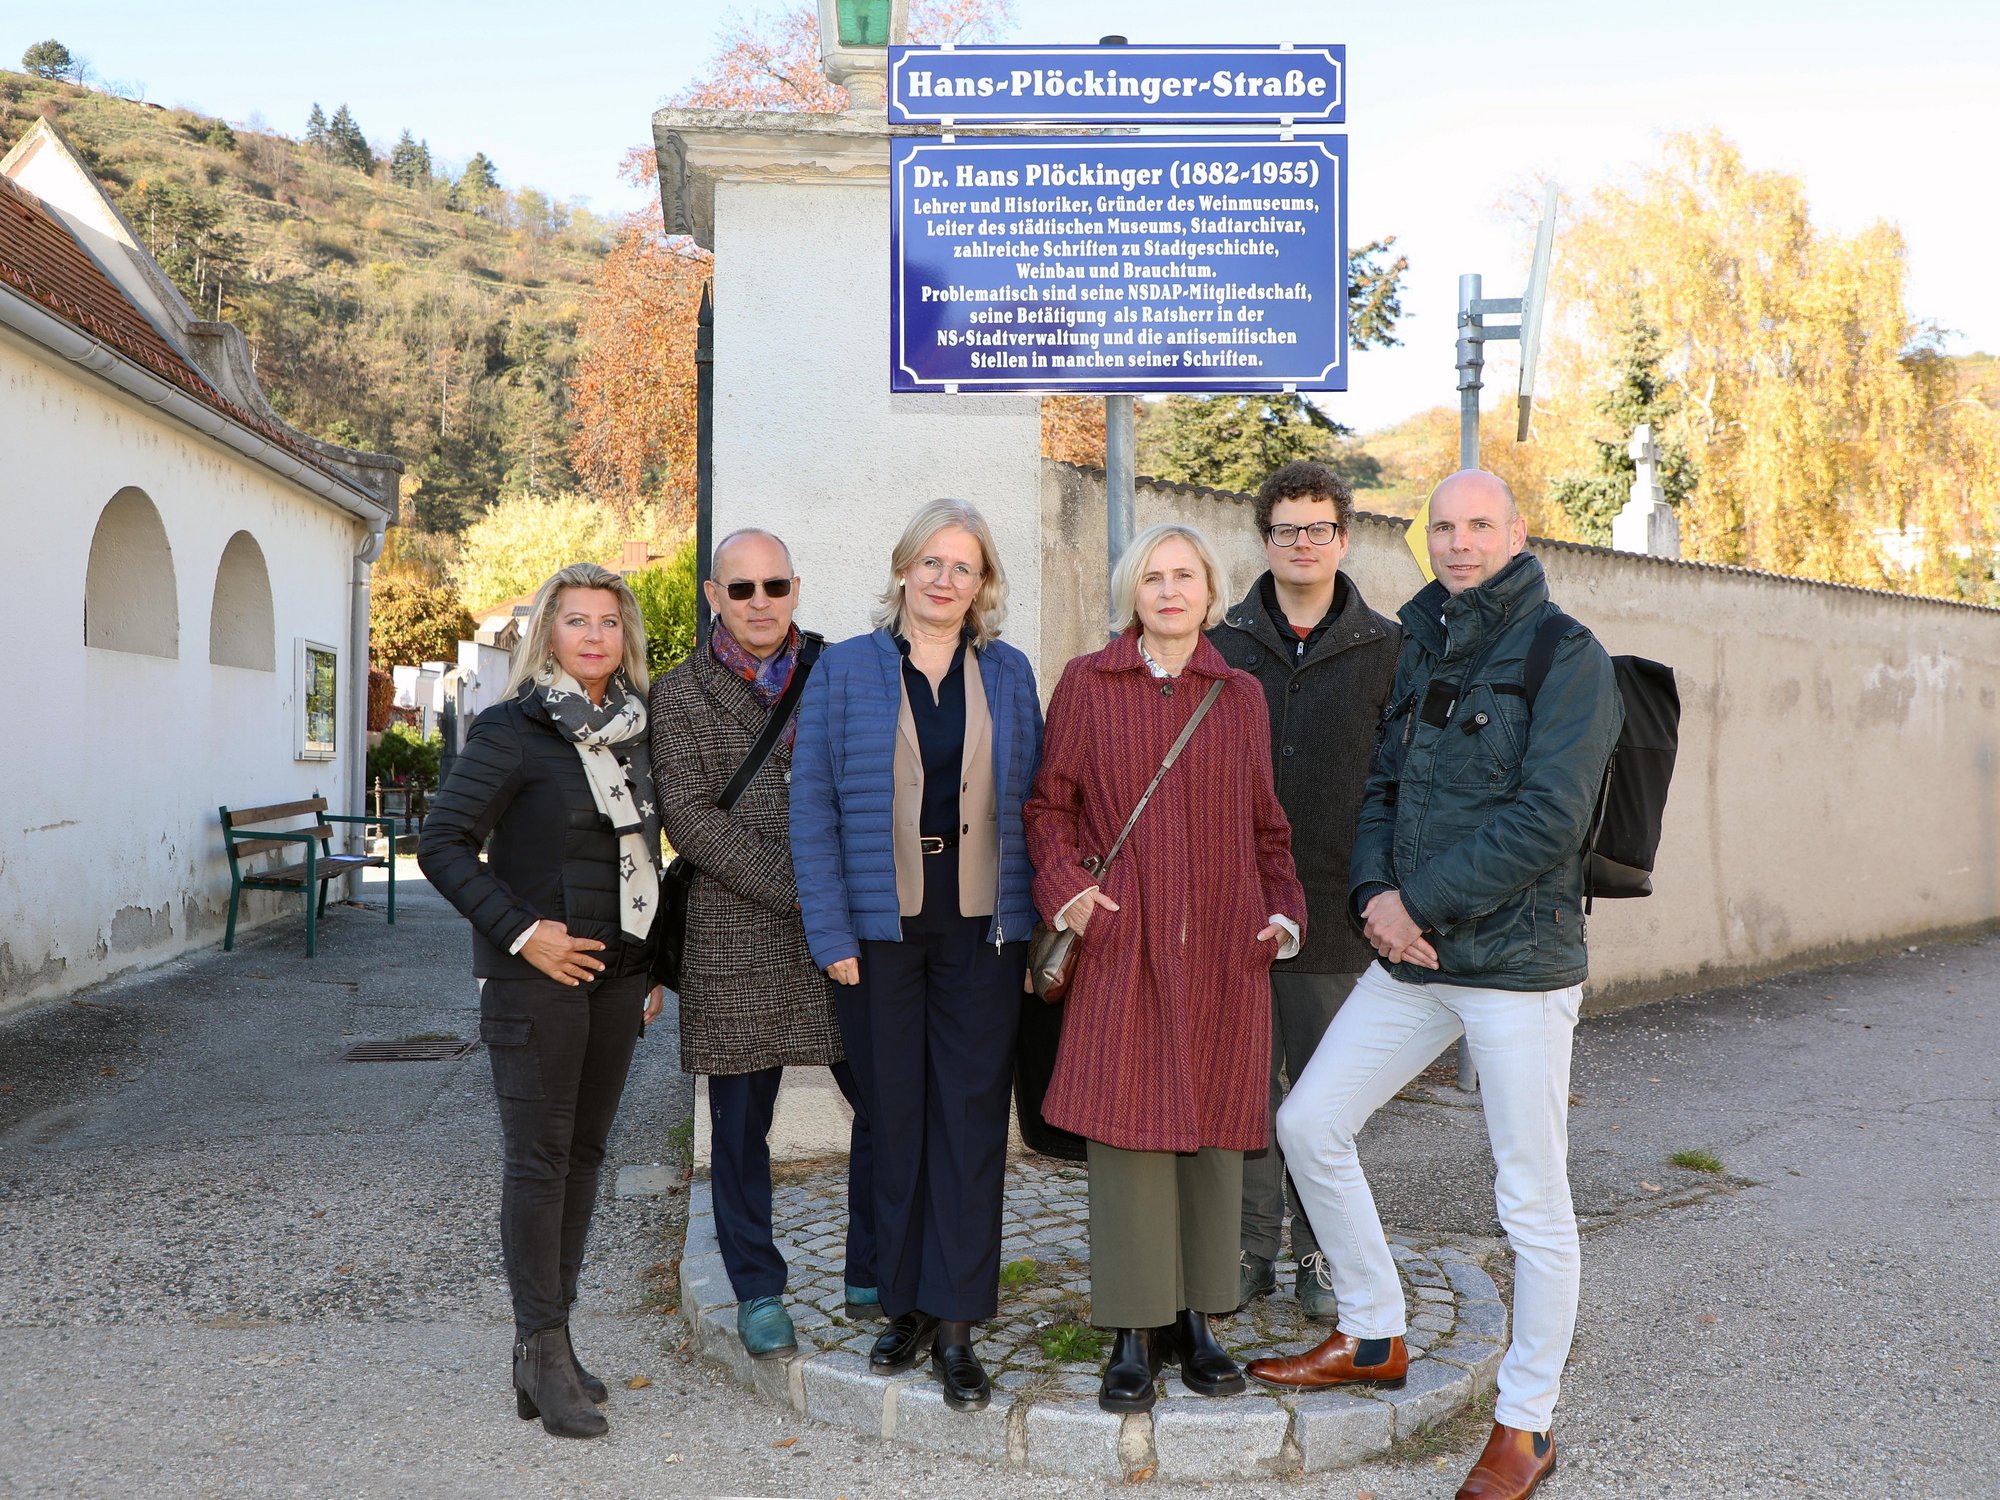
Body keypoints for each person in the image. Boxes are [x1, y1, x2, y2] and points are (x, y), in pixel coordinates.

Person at [1246, 472, 1623, 1500]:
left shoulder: (1566, 656)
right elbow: (1381, 784)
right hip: (1412, 956)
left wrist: (1418, 904)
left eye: (1477, 526)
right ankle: (1372, 1331)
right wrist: (1373, 891)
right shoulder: (1423, 642)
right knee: (1311, 1122)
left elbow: (1549, 818)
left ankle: (1525, 1424)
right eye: (1442, 528)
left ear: (1515, 533)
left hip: (1511, 969)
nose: (1457, 544)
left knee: (1531, 1201)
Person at [1026, 522, 1307, 1416]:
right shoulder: (1088, 683)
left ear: (1210, 593)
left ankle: (1197, 1320)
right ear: (1132, 592)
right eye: (1153, 577)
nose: (1170, 590)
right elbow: (1048, 808)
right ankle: (1131, 1331)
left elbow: (1268, 826)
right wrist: (1068, 891)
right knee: (1128, 1136)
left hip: (1225, 949)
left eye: (1185, 576)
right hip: (1124, 944)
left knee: (1214, 1144)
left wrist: (1281, 912)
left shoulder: (1240, 696)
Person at [789, 499, 1043, 1412]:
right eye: (930, 562)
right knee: (893, 1118)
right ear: (902, 570)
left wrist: (1031, 926)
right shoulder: (847, 670)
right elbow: (811, 807)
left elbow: (1035, 807)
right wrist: (831, 935)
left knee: (971, 1126)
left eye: (963, 566)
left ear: (983, 584)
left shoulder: (1008, 673)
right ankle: (902, 1304)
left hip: (982, 931)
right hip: (879, 930)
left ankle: (959, 1323)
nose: (944, 579)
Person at [418, 562, 665, 1441]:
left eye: (608, 622)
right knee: (539, 1161)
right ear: (547, 636)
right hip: (537, 982)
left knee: (587, 1155)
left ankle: (547, 1345)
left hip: (618, 981)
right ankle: (541, 1345)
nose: (594, 636)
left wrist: (651, 967)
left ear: (624, 636)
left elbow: (644, 861)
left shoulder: (634, 730)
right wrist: (527, 935)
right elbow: (442, 842)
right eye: (576, 622)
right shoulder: (510, 731)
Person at [648, 528, 878, 1361]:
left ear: (796, 589)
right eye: (739, 589)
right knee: (740, 1131)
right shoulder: (678, 694)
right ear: (714, 596)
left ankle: (871, 1267)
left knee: (884, 1104)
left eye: (773, 587)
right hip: (735, 936)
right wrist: (808, 890)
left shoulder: (840, 672)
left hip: (843, 937)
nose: (758, 604)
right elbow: (691, 821)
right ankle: (757, 1289)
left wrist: (839, 898)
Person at [1208, 460, 1400, 1319]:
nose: (1302, 544)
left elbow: (1401, 784)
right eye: (1286, 529)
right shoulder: (1223, 644)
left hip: (1334, 914)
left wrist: (1382, 890)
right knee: (1246, 1094)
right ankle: (1251, 1246)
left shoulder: (1389, 651)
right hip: (1236, 912)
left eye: (1319, 529)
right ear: (1265, 541)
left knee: (1323, 1103)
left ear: (1344, 538)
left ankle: (1323, 1256)